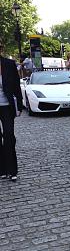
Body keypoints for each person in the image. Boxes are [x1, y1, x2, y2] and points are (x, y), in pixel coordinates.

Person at [0, 39, 23, 181]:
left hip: (6, 106)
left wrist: (19, 105)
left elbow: (16, 85)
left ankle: (12, 170)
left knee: (8, 136)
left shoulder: (8, 64)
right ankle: (2, 169)